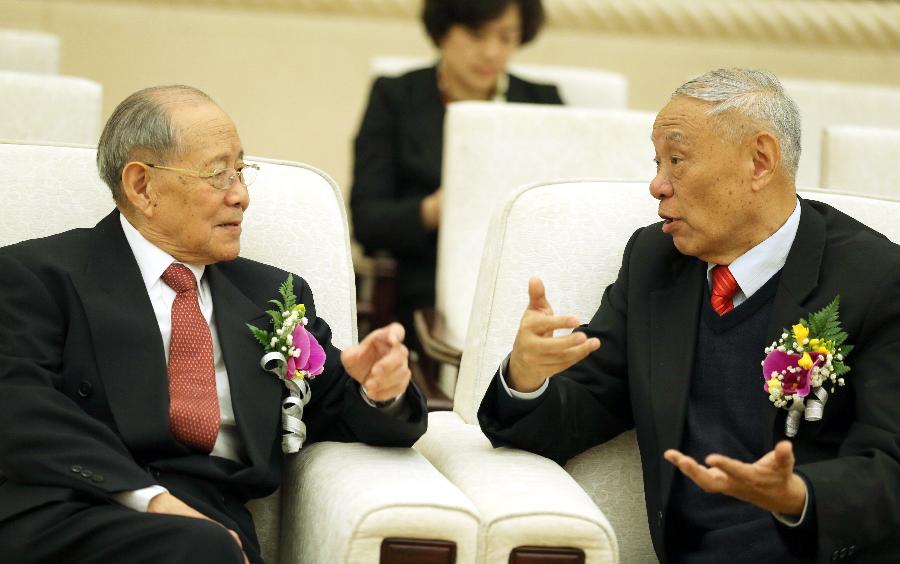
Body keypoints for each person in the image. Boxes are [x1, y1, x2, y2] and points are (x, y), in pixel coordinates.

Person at [478, 69, 900, 562]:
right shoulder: (655, 266)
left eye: (676, 160)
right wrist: (526, 378)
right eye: (657, 162)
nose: (657, 185)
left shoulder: (876, 280)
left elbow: (889, 464)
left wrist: (799, 496)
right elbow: (580, 410)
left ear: (760, 161)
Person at [0, 85, 427, 564]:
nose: (241, 195)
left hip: (210, 523)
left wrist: (380, 389)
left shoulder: (274, 297)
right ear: (142, 186)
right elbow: (19, 404)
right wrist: (150, 498)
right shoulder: (36, 274)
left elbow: (338, 408)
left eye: (241, 171)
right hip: (74, 508)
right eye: (218, 174)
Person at [350, 0, 562, 356]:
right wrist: (436, 209)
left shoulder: (543, 102)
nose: (492, 52)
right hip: (428, 283)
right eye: (477, 35)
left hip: (524, 275)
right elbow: (367, 219)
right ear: (443, 32)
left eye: (507, 37)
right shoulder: (396, 97)